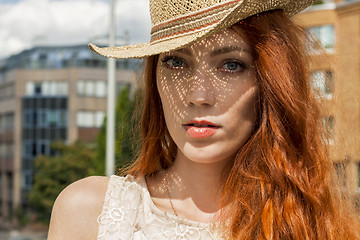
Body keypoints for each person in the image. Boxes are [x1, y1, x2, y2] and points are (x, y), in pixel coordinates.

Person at [47, 0, 360, 239]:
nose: (198, 95)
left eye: (231, 65)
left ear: (271, 83)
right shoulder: (89, 212)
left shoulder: (316, 227)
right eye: (175, 61)